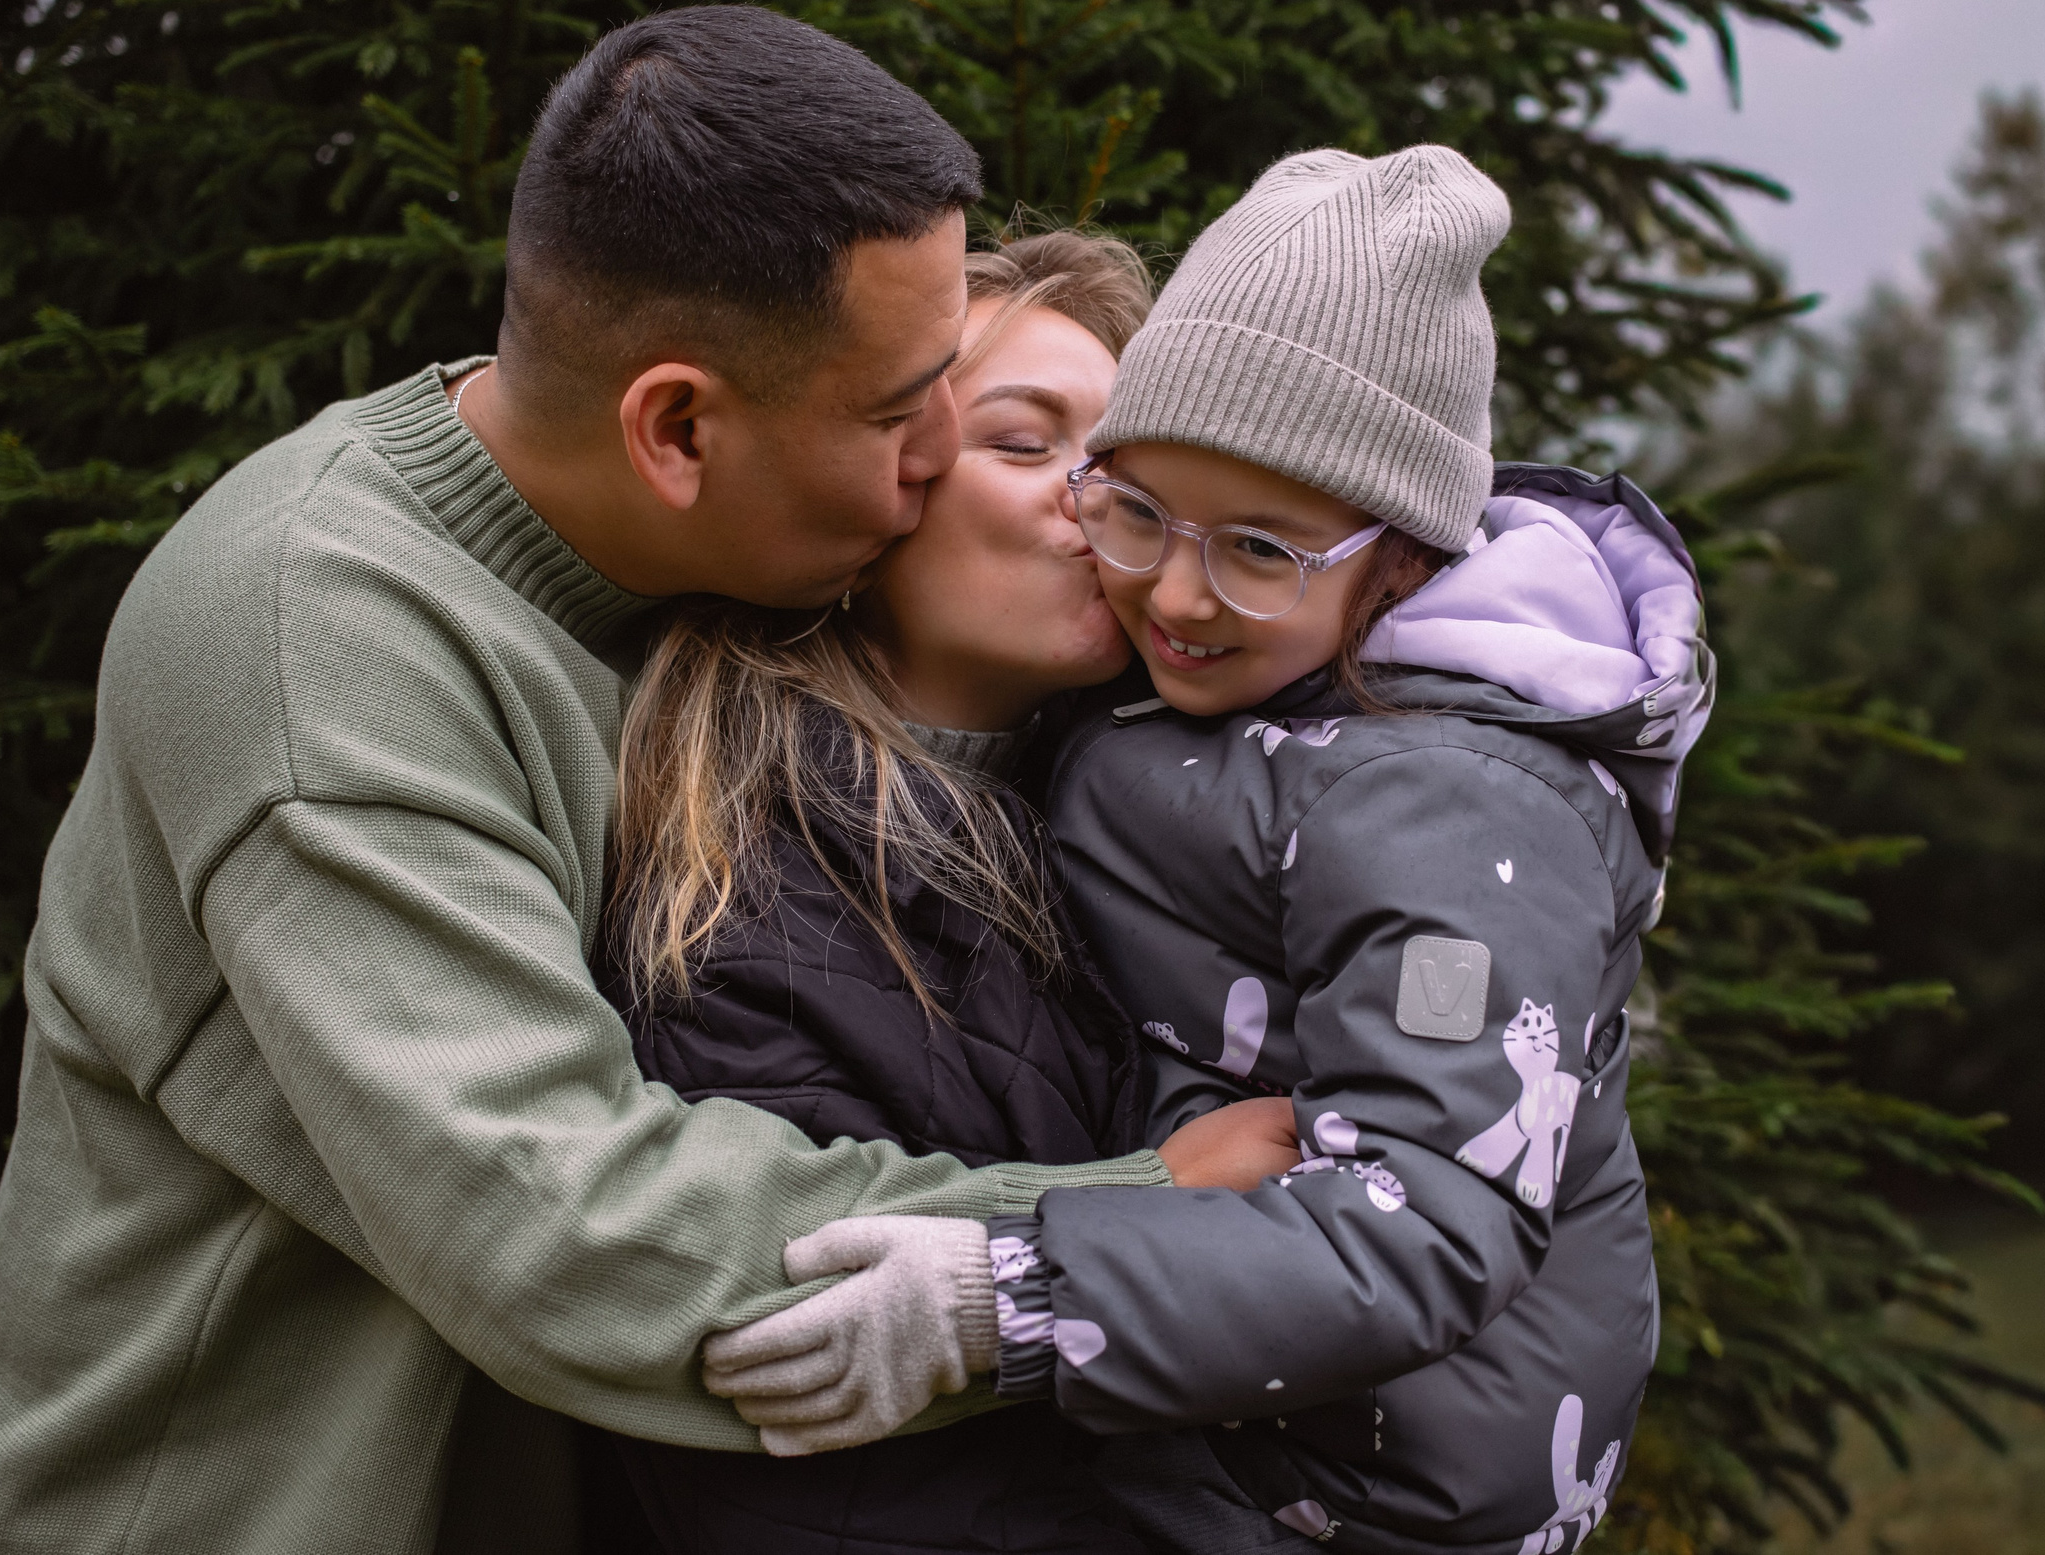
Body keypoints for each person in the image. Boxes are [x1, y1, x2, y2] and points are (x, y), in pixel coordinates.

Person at [0, 9, 1293, 1555]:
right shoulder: (319, 650)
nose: (936, 459)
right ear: (676, 427)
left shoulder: (702, 588)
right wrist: (1107, 1239)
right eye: (895, 408)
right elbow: (560, 1230)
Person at [705, 147, 1714, 1555]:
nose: (1177, 592)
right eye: (1138, 514)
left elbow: (1425, 1217)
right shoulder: (1211, 715)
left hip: (1368, 1494)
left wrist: (1011, 1299)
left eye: (1258, 550)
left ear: (1403, 559)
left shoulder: (1456, 819)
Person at [600, 232, 1249, 1554]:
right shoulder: (756, 905)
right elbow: (802, 1461)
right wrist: (1153, 1210)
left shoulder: (1168, 848)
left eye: (1131, 465)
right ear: (880, 498)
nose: (1101, 499)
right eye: (1027, 444)